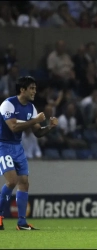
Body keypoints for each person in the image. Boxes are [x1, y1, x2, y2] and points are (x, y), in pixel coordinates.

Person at [0, 76, 58, 230]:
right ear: (22, 89)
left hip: (17, 147)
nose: (34, 91)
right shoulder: (8, 104)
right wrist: (35, 120)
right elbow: (13, 127)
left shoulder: (31, 108)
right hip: (3, 146)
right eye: (31, 88)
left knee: (24, 182)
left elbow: (37, 132)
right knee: (12, 181)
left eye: (35, 88)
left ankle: (22, 223)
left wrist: (49, 127)